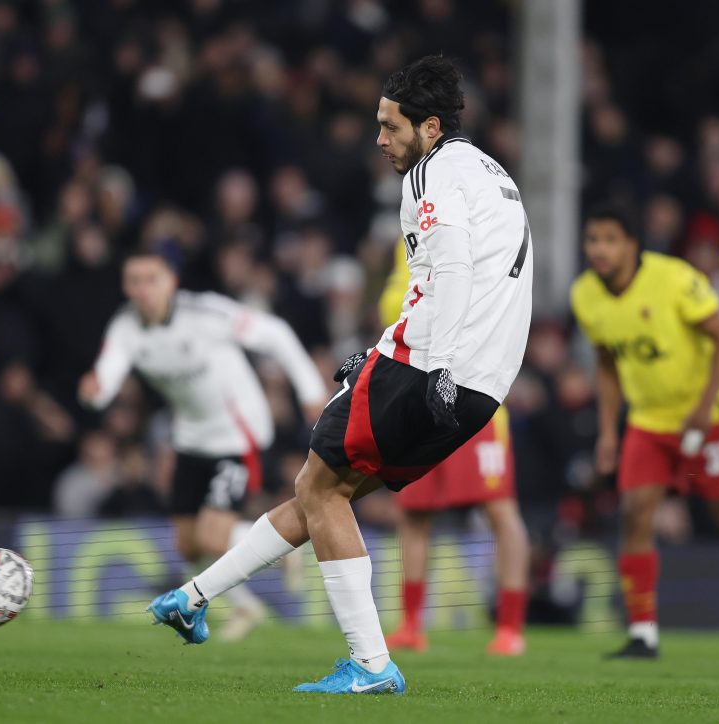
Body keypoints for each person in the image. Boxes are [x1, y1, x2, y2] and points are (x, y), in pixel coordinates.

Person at [146, 55, 533, 695]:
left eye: (390, 127)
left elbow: (452, 272)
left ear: (429, 128)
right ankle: (193, 596)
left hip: (435, 368)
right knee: (323, 491)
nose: (379, 140)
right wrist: (384, 352)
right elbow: (452, 284)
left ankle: (372, 664)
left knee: (320, 488)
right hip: (483, 384)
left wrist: (426, 365)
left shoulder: (430, 176)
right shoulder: (492, 174)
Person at [571, 204, 719, 662]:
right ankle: (643, 634)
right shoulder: (585, 296)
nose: (600, 249)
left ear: (632, 244)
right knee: (636, 514)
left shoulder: (675, 279)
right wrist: (607, 433)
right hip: (648, 423)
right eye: (593, 240)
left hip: (705, 420)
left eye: (610, 239)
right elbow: (605, 363)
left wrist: (705, 409)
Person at [79, 249, 327, 640]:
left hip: (238, 433)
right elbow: (107, 376)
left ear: (171, 282)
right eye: (134, 281)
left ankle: (284, 544)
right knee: (188, 545)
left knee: (214, 535)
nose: (142, 289)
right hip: (191, 437)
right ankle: (247, 606)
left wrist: (310, 389)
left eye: (151, 279)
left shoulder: (206, 315)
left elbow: (276, 334)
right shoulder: (125, 327)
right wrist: (94, 393)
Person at [379, 239, 530, 656]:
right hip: (420, 397)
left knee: (500, 508)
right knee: (414, 513)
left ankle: (511, 627)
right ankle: (410, 625)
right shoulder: (407, 243)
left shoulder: (476, 238)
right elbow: (393, 306)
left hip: (475, 396)